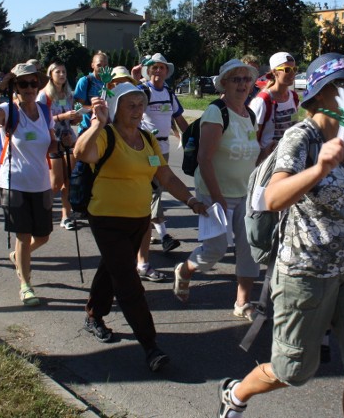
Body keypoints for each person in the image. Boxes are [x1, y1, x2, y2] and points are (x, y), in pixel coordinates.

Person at [218, 53, 344, 418]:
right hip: (306, 271)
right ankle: (236, 393)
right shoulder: (301, 137)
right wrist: (321, 167)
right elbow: (273, 198)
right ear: (320, 94)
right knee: (292, 371)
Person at [73, 82, 207, 371]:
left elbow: (167, 177)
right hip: (107, 220)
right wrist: (97, 122)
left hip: (139, 220)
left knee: (112, 268)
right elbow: (82, 153)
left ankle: (94, 315)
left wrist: (192, 201)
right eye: (130, 105)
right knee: (128, 281)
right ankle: (150, 346)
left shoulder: (146, 138)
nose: (137, 110)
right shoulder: (106, 135)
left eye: (140, 104)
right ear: (116, 107)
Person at [172, 59, 261, 320]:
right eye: (236, 79)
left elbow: (250, 154)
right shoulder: (216, 112)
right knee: (215, 249)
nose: (243, 84)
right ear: (224, 83)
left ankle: (242, 303)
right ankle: (184, 271)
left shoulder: (249, 114)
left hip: (245, 193)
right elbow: (204, 159)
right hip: (214, 193)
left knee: (249, 248)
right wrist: (218, 197)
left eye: (246, 79)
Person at [0, 63, 57, 306]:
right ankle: (26, 285)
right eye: (22, 83)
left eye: (32, 83)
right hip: (13, 183)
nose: (28, 88)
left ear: (39, 85)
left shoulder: (46, 112)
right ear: (15, 86)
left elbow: (52, 145)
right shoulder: (8, 110)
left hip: (41, 182)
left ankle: (18, 256)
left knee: (44, 235)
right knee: (24, 236)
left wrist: (65, 142)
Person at [137, 53, 188, 265]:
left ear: (167, 72)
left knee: (154, 189)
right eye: (154, 68)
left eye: (162, 68)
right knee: (156, 188)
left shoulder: (168, 92)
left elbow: (178, 118)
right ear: (149, 71)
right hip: (147, 147)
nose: (158, 71)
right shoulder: (143, 91)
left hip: (164, 146)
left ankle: (145, 231)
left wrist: (192, 139)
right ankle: (164, 235)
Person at [39, 62, 81, 229]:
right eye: (58, 72)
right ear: (51, 74)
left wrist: (75, 118)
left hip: (68, 139)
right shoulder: (44, 95)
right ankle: (43, 212)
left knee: (69, 180)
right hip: (52, 140)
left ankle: (66, 216)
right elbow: (42, 120)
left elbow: (72, 118)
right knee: (56, 182)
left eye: (64, 71)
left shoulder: (69, 94)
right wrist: (63, 116)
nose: (62, 75)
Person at [249, 51, 300, 164]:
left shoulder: (294, 97)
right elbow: (251, 136)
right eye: (287, 70)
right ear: (275, 73)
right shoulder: (262, 101)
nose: (292, 74)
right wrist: (261, 156)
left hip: (288, 159)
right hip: (266, 162)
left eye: (294, 69)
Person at [73, 51, 108, 134]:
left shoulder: (109, 83)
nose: (102, 68)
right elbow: (78, 108)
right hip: (87, 129)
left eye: (105, 66)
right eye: (99, 65)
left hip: (105, 130)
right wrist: (95, 109)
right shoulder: (85, 81)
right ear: (92, 65)